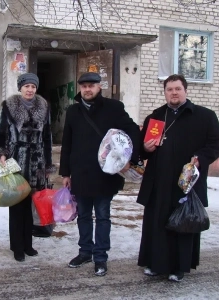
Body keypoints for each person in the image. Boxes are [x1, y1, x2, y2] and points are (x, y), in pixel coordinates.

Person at [137, 74, 219, 282]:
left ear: (185, 90)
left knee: (183, 223)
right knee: (157, 223)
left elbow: (216, 142)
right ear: (165, 92)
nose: (174, 93)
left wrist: (201, 159)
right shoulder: (156, 117)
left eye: (178, 89)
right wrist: (145, 148)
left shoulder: (204, 116)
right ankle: (155, 264)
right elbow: (144, 149)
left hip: (186, 182)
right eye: (169, 89)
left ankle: (179, 267)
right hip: (158, 181)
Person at [59, 72, 141, 276]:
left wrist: (129, 159)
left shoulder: (114, 107)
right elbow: (67, 143)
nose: (87, 89)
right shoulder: (73, 111)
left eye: (91, 86)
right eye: (84, 86)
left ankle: (101, 257)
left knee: (103, 216)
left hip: (106, 174)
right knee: (84, 215)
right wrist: (65, 173)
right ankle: (85, 251)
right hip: (81, 172)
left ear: (99, 87)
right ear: (80, 88)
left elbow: (132, 131)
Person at [0, 72, 55, 262]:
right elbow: (1, 132)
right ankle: (17, 246)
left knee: (30, 205)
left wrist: (47, 165)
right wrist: (1, 152)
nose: (30, 90)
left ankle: (28, 244)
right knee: (17, 205)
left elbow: (47, 137)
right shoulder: (8, 106)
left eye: (33, 87)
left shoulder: (44, 106)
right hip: (15, 161)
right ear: (20, 88)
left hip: (37, 161)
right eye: (26, 86)